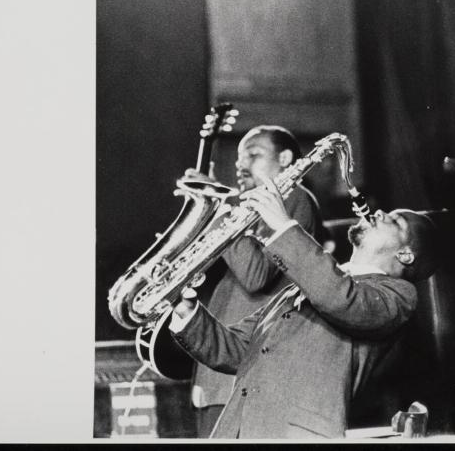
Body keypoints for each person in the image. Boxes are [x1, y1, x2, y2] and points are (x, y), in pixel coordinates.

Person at [169, 174, 439, 440]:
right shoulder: (307, 283)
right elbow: (239, 349)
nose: (379, 212)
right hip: (238, 429)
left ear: (405, 255)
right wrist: (187, 312)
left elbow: (342, 299)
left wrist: (284, 227)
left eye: (396, 220)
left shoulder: (399, 296)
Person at [178, 125, 327, 438]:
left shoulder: (294, 196)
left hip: (244, 375)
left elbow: (255, 275)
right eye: (237, 160)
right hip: (218, 375)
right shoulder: (248, 209)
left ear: (285, 158)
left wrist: (219, 208)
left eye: (254, 155)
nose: (241, 165)